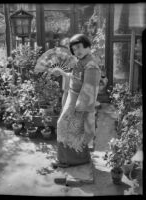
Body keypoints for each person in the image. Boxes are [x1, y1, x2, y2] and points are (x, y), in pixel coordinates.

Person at [51, 34, 101, 168]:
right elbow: (75, 78)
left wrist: (79, 108)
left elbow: (89, 88)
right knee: (67, 128)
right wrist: (62, 74)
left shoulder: (91, 65)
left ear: (88, 46)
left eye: (79, 47)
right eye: (74, 49)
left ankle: (69, 160)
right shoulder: (82, 61)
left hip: (79, 103)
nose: (76, 51)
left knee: (66, 127)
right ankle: (72, 158)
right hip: (73, 99)